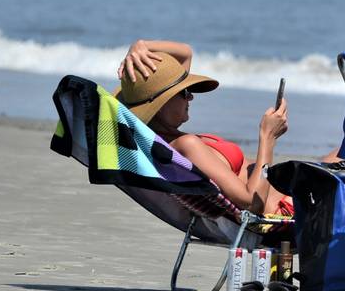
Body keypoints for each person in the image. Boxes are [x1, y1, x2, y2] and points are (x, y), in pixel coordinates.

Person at [115, 39, 291, 217]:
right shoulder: (186, 145)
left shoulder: (166, 142)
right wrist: (268, 137)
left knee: (321, 160)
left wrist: (140, 46)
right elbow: (252, 202)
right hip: (289, 210)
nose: (190, 97)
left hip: (291, 195)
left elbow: (186, 52)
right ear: (162, 104)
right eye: (184, 92)